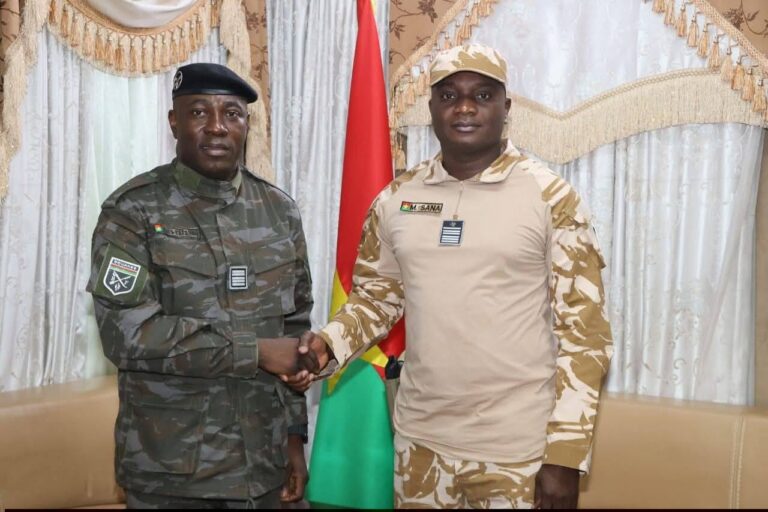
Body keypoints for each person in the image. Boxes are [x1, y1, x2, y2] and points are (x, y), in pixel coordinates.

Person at [289, 44, 613, 509]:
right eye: (449, 95)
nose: (464, 107)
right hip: (420, 446)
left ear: (506, 107)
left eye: (482, 95)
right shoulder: (396, 199)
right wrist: (328, 345)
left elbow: (585, 335)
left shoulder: (550, 198)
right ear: (432, 108)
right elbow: (376, 300)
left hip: (517, 453)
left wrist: (564, 456)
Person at [87, 63, 313, 509]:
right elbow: (127, 333)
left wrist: (293, 438)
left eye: (232, 113)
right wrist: (255, 351)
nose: (216, 127)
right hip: (173, 472)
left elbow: (293, 328)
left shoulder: (278, 210)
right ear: (174, 121)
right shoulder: (132, 210)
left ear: (246, 124)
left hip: (264, 465)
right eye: (198, 112)